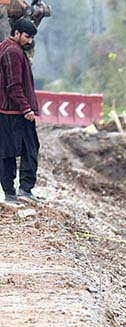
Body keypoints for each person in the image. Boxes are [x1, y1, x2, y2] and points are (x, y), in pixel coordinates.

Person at [0, 19, 40, 204]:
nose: (30, 41)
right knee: (18, 151)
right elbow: (14, 85)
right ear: (16, 33)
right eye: (27, 36)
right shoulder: (12, 52)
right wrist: (26, 108)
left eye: (32, 37)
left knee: (17, 150)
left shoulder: (9, 48)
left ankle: (17, 191)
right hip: (13, 112)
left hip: (11, 110)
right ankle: (17, 191)